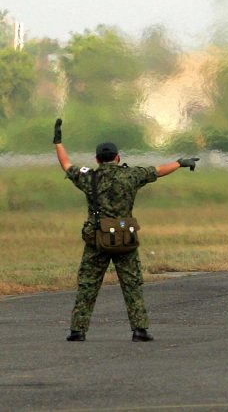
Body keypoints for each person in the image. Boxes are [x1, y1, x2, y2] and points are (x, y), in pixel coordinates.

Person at [53, 118, 199, 342]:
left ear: (97, 160)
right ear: (117, 157)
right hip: (124, 237)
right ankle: (139, 330)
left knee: (88, 285)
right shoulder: (130, 175)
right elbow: (158, 171)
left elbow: (66, 164)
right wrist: (180, 162)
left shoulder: (88, 177)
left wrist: (58, 142)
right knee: (132, 284)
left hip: (97, 239)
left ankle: (77, 330)